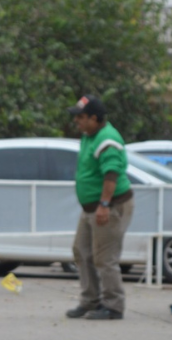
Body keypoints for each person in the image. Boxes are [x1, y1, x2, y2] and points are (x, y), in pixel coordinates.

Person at [65, 94, 135, 321]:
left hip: (110, 206)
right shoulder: (89, 135)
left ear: (94, 118)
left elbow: (111, 174)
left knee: (105, 257)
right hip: (91, 208)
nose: (77, 121)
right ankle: (90, 300)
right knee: (82, 251)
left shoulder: (107, 139)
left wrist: (104, 205)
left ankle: (113, 305)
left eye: (81, 117)